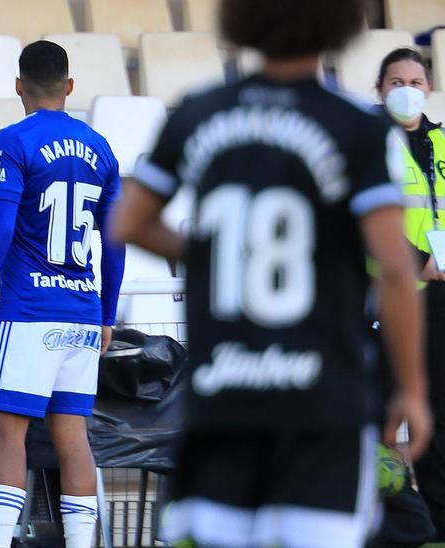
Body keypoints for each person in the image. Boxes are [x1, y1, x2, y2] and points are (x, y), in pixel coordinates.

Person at [110, 0, 432, 545]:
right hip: (322, 398)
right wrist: (412, 388)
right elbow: (399, 273)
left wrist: (213, 255)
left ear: (241, 22)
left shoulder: (200, 111)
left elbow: (127, 222)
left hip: (223, 396)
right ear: (341, 27)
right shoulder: (355, 126)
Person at [0, 40, 125, 548]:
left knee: (4, 433)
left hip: (30, 312)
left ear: (18, 87)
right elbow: (114, 242)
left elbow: (1, 228)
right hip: (82, 311)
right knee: (72, 437)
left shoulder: (13, 141)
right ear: (69, 86)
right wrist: (107, 314)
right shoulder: (100, 148)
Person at [376, 47, 445, 540]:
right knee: (383, 414)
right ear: (379, 91)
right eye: (396, 81)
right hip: (391, 292)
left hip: (441, 297)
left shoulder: (443, 143)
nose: (407, 89)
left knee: (440, 416)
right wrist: (418, 259)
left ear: (429, 88)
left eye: (416, 81)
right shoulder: (369, 146)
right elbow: (369, 217)